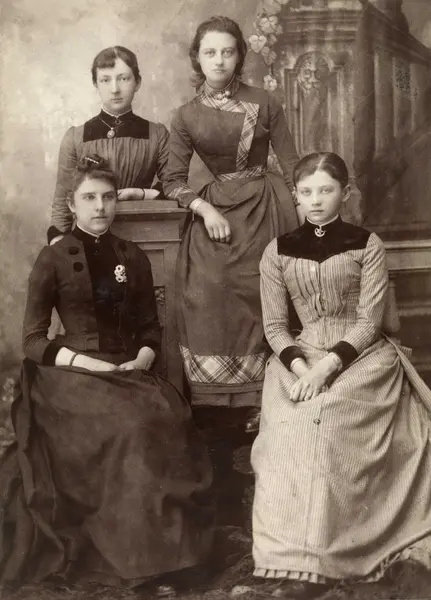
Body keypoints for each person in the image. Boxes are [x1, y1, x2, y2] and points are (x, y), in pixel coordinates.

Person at [0, 156, 213, 597]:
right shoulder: (53, 257)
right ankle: (138, 559)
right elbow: (33, 340)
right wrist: (90, 365)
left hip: (126, 368)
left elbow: (149, 327)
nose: (100, 207)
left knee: (166, 418)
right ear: (72, 205)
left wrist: (141, 360)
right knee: (127, 428)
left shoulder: (132, 256)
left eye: (108, 197)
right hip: (69, 377)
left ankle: (173, 553)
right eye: (89, 198)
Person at [251, 152, 431, 599]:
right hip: (300, 356)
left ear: (345, 193)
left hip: (360, 355)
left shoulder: (366, 244)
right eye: (306, 191)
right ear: (295, 195)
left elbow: (369, 323)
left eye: (326, 190)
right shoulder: (277, 251)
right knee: (289, 433)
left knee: (331, 419)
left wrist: (328, 368)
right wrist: (302, 368)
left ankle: (333, 554)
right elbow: (275, 326)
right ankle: (291, 557)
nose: (316, 200)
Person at [163, 16, 299, 525]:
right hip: (216, 212)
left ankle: (267, 426)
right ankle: (219, 436)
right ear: (197, 58)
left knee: (268, 296)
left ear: (240, 55)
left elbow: (294, 164)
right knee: (208, 290)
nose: (219, 60)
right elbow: (173, 180)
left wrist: (305, 214)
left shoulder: (266, 102)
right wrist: (205, 209)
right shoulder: (184, 115)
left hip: (266, 207)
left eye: (227, 51)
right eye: (209, 53)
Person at [49, 46, 169, 245]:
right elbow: (63, 200)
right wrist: (58, 246)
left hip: (142, 235)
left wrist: (140, 194)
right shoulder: (76, 137)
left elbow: (175, 185)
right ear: (95, 83)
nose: (115, 89)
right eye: (105, 80)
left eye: (124, 78)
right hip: (88, 241)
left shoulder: (157, 134)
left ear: (137, 82)